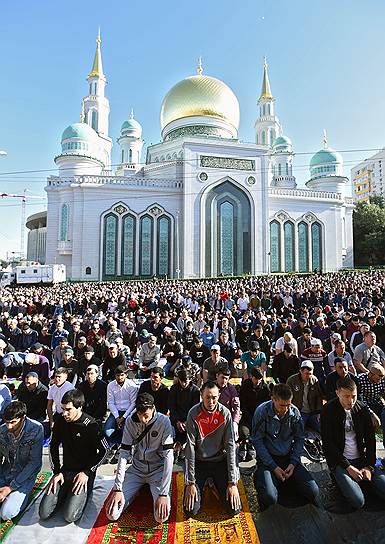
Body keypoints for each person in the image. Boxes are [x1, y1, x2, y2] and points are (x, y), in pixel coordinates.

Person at [39, 389, 108, 523]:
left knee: (69, 516)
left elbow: (105, 450)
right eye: (62, 409)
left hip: (83, 474)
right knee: (44, 513)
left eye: (68, 409)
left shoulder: (91, 425)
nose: (64, 413)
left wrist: (87, 472)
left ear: (79, 407)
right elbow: (53, 446)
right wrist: (57, 472)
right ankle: (64, 493)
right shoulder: (60, 420)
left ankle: (79, 493)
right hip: (65, 471)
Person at [105, 393, 174, 523]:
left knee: (161, 517)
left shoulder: (164, 421)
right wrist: (118, 488)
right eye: (139, 415)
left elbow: (169, 457)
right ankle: (134, 492)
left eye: (146, 416)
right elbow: (124, 453)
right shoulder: (131, 421)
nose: (143, 419)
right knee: (112, 514)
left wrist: (164, 493)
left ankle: (152, 490)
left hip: (157, 470)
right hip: (137, 469)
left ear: (153, 409)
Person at [252, 383, 320, 509]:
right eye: (282, 405)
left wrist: (293, 463)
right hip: (268, 460)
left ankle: (283, 480)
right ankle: (261, 476)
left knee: (312, 491)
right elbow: (258, 441)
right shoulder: (261, 412)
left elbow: (299, 439)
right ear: (273, 399)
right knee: (269, 498)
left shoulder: (294, 413)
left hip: (288, 458)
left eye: (288, 405)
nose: (285, 409)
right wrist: (273, 467)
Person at [321, 376, 385, 510]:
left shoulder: (361, 409)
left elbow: (371, 440)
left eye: (354, 396)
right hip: (341, 462)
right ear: (337, 393)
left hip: (362, 460)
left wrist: (369, 466)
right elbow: (328, 444)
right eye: (346, 396)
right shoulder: (328, 410)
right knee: (357, 501)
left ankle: (363, 480)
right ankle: (340, 479)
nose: (351, 401)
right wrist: (348, 467)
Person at [184, 381, 241, 517]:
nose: (211, 401)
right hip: (200, 462)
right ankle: (203, 484)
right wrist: (190, 482)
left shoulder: (225, 413)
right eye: (207, 397)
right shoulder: (193, 414)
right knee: (190, 511)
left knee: (234, 510)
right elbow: (190, 448)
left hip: (219, 461)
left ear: (219, 396)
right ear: (201, 396)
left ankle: (215, 483)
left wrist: (232, 482)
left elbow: (231, 447)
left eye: (214, 397)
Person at [0, 401, 43, 520]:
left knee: (6, 513)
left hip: (25, 476)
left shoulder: (36, 429)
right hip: (6, 472)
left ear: (23, 418)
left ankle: (25, 494)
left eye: (13, 422)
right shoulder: (2, 430)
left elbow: (34, 463)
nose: (9, 426)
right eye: (6, 422)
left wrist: (10, 488)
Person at [239, 367, 271, 461]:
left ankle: (252, 444)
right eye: (256, 378)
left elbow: (267, 405)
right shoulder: (245, 386)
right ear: (251, 377)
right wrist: (249, 417)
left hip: (260, 417)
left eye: (260, 379)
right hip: (247, 415)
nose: (258, 381)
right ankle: (244, 443)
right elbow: (242, 404)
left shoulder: (265, 388)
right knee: (244, 432)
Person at [168, 368, 200, 462]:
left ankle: (180, 446)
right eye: (181, 381)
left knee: (189, 428)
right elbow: (171, 406)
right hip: (176, 418)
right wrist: (177, 421)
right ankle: (178, 447)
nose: (183, 383)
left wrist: (186, 422)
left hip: (189, 418)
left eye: (185, 381)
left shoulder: (195, 391)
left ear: (190, 379)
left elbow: (195, 409)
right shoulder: (174, 389)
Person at [104, 366, 138, 452]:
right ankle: (115, 446)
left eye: (122, 375)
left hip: (128, 412)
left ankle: (124, 448)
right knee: (107, 432)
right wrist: (117, 417)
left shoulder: (132, 386)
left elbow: (133, 403)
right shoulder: (110, 385)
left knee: (125, 432)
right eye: (117, 375)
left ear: (126, 375)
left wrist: (123, 417)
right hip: (116, 412)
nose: (120, 377)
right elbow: (111, 403)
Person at [286, 361, 323, 432]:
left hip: (312, 412)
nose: (308, 376)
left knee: (321, 428)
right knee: (298, 430)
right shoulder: (292, 380)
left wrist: (319, 412)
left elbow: (318, 396)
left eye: (310, 374)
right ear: (301, 371)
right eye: (306, 374)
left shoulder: (314, 380)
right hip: (299, 412)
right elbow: (287, 397)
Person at [357, 363, 385, 447]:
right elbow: (361, 400)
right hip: (363, 405)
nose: (378, 382)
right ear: (371, 374)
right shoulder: (360, 379)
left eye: (380, 379)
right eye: (377, 379)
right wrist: (371, 413)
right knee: (368, 426)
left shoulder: (382, 380)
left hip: (377, 403)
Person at [216, 368, 241, 441]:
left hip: (226, 418)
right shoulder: (211, 386)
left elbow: (236, 407)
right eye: (222, 377)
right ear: (217, 376)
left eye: (226, 379)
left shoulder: (231, 389)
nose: (224, 381)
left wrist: (235, 422)